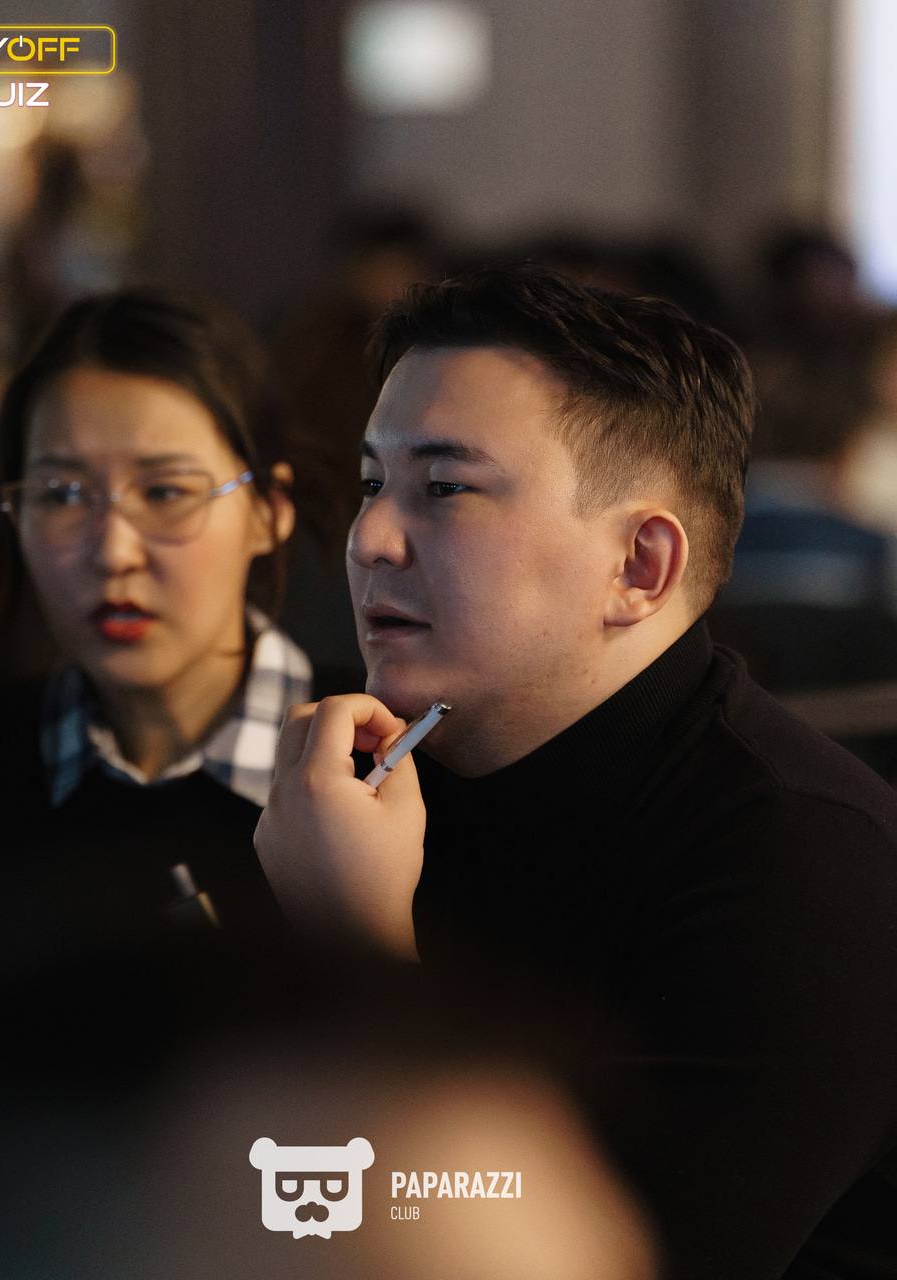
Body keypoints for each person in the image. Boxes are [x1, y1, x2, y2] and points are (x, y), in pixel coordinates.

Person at [254, 265, 897, 1279]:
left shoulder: (809, 869)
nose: (369, 539)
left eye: (445, 488)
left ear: (639, 567)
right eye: (374, 483)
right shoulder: (358, 780)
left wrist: (358, 952)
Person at [0, 286, 338, 1010]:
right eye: (60, 496)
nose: (114, 552)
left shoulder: (375, 773)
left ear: (268, 511)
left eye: (166, 492)